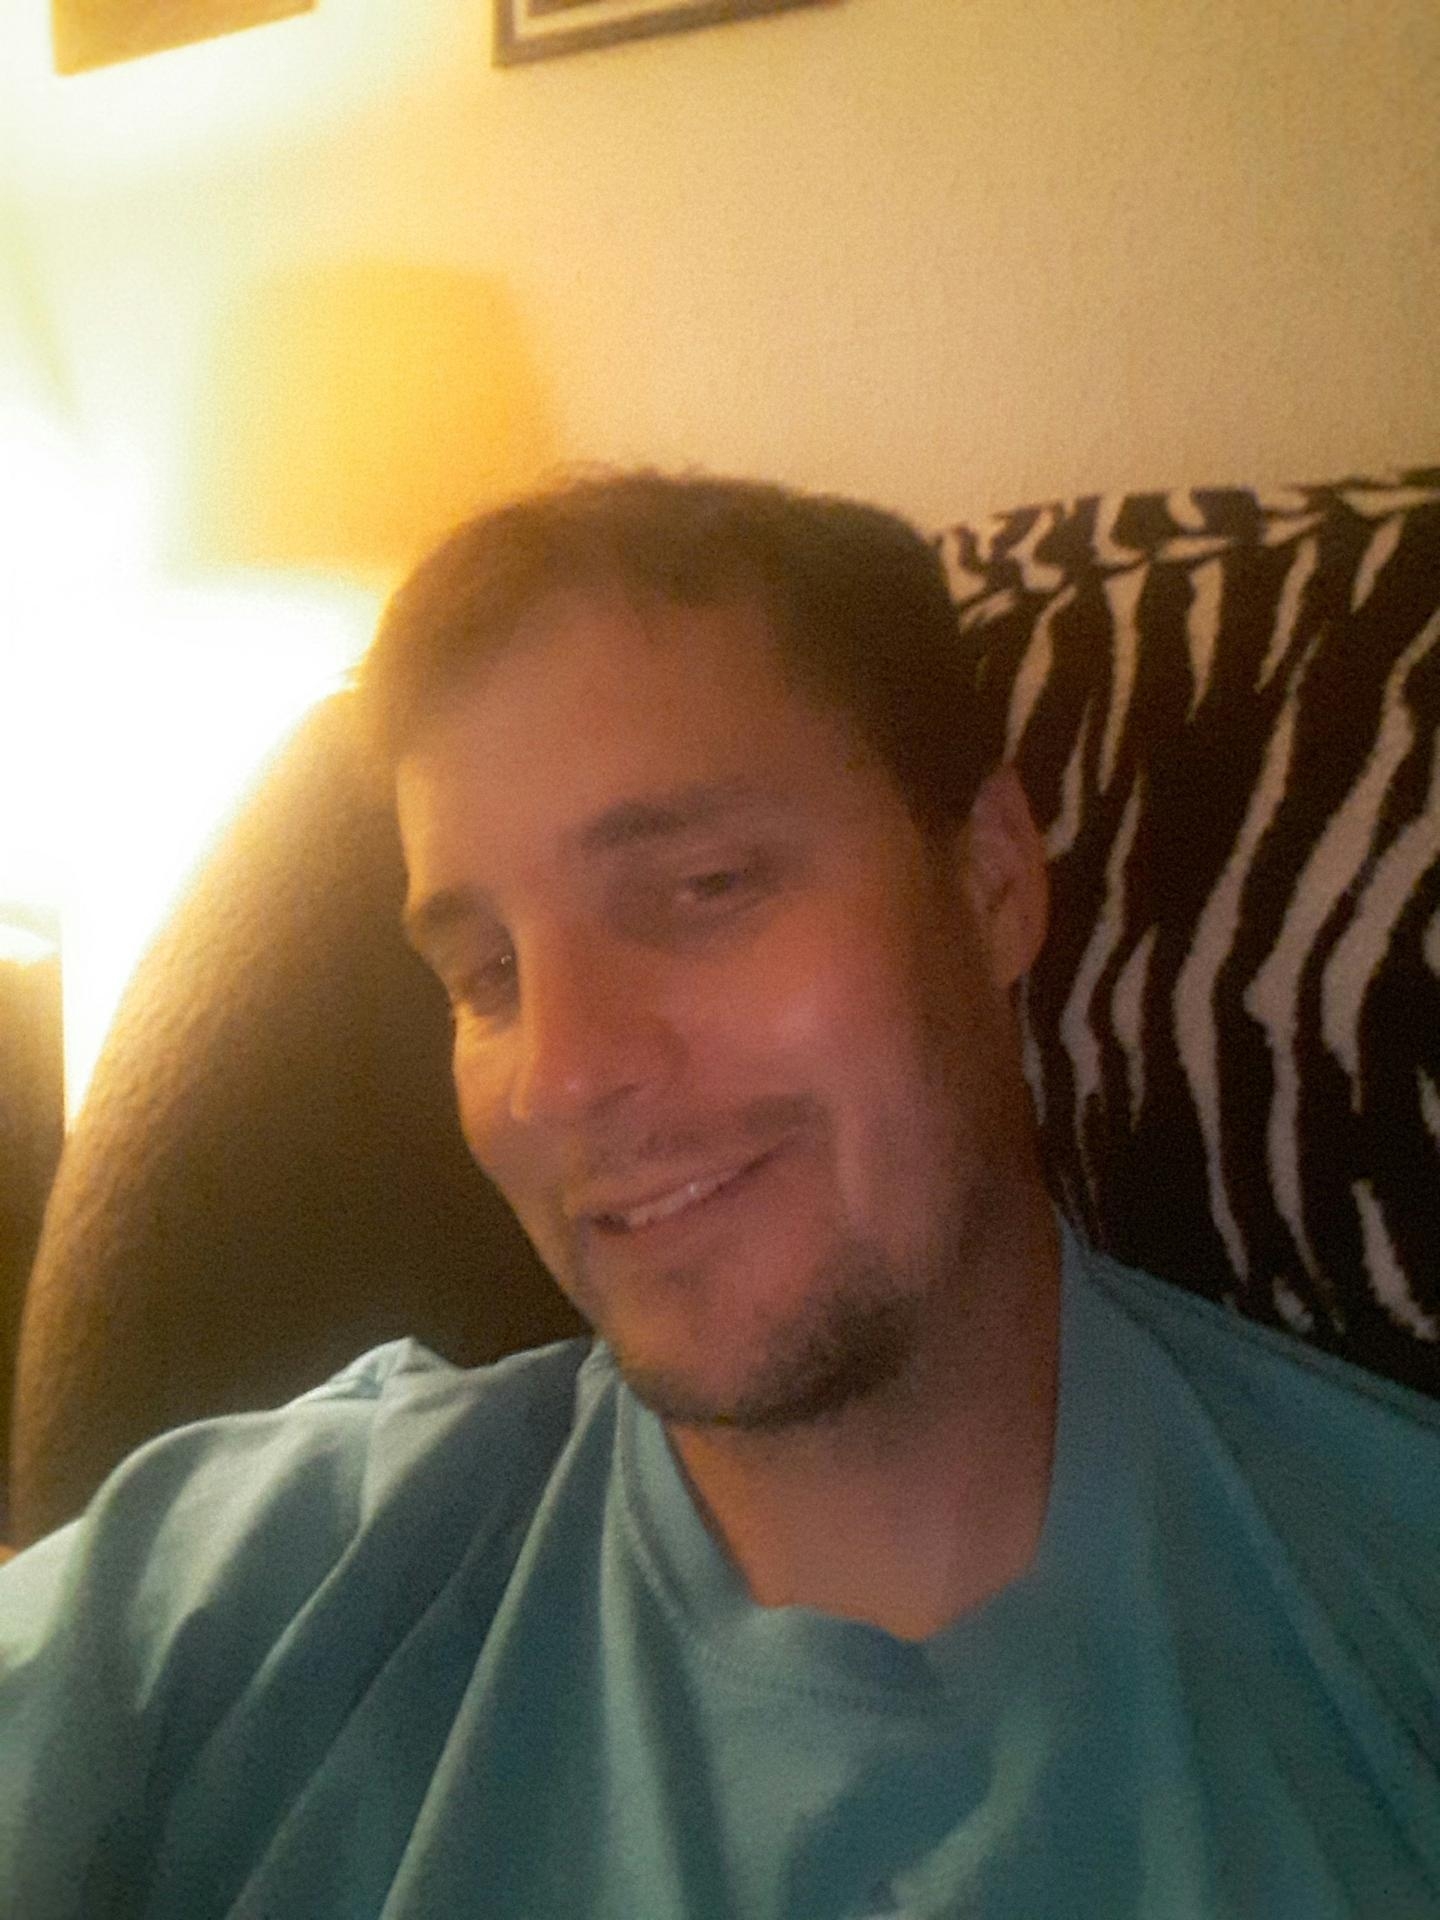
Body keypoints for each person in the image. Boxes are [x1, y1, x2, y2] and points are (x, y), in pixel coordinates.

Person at [2, 472, 1438, 1919]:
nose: (561, 1076)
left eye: (704, 887)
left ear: (994, 882)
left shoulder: (1389, 1615)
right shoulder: (254, 1587)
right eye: (486, 975)